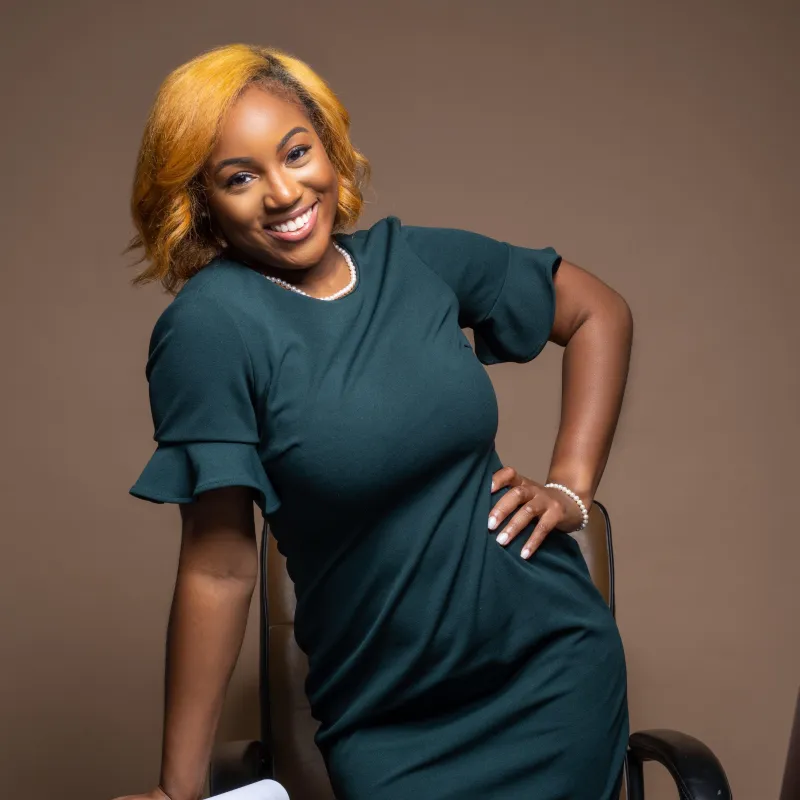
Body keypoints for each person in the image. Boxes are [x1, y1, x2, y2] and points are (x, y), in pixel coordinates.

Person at [115, 43, 633, 800]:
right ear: (199, 202)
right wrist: (178, 789)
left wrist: (572, 488)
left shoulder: (413, 261)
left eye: (297, 152)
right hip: (390, 720)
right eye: (239, 176)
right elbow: (219, 566)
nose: (283, 192)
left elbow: (598, 312)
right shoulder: (209, 330)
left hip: (553, 670)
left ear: (329, 146)